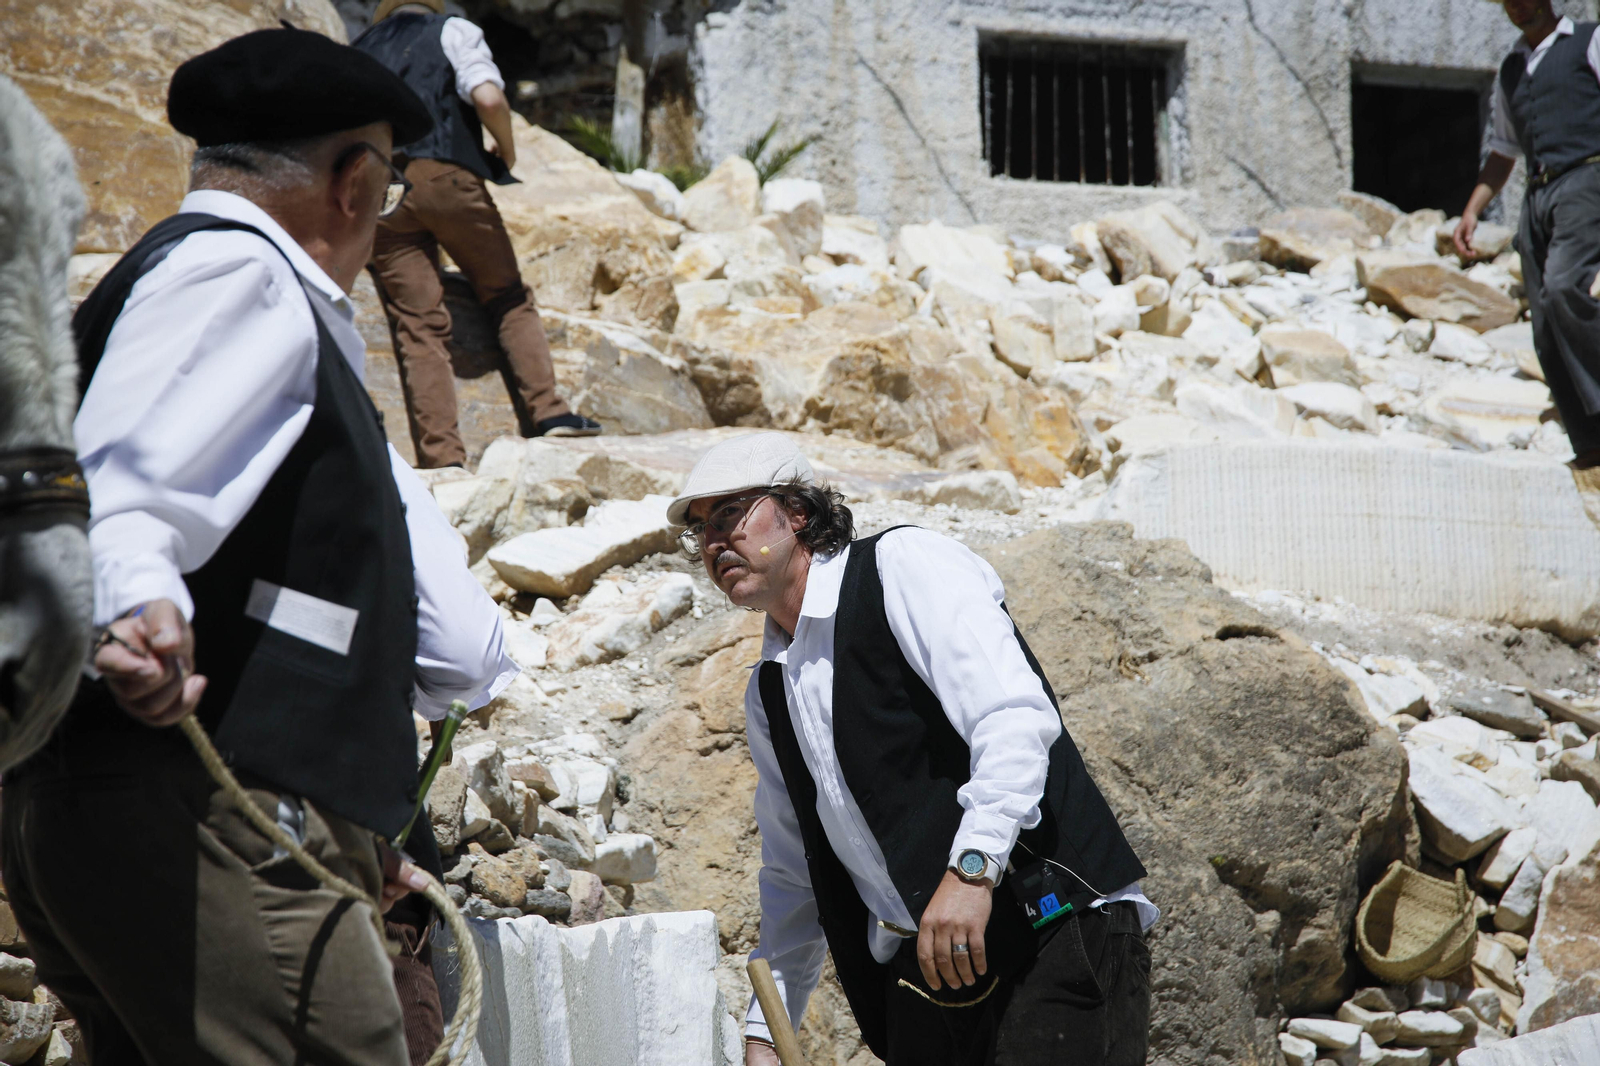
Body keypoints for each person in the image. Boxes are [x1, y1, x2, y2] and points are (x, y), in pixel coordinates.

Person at [0, 27, 518, 1066]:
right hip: (214, 814)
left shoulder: (164, 278)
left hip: (107, 804)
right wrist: (138, 599)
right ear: (356, 180)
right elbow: (123, 486)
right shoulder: (244, 277)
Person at [668, 434, 1158, 1066]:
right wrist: (769, 1026)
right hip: (925, 984)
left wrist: (971, 872)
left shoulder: (902, 565)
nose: (713, 543)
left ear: (797, 512)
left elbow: (1012, 719)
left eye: (731, 515)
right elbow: (794, 872)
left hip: (1048, 934)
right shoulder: (769, 691)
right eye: (700, 530)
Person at [352, 0, 599, 469]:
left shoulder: (360, 47)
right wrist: (505, 151)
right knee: (506, 294)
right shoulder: (452, 31)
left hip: (382, 192)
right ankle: (549, 412)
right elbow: (487, 97)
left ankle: (442, 458)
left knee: (418, 325)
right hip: (447, 178)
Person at [1455, 0, 1600, 467]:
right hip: (1536, 196)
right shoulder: (1511, 69)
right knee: (1542, 324)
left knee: (1565, 288)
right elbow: (1502, 153)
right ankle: (1590, 443)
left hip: (1586, 179)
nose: (1518, 4)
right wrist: (1472, 211)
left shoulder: (1589, 40)